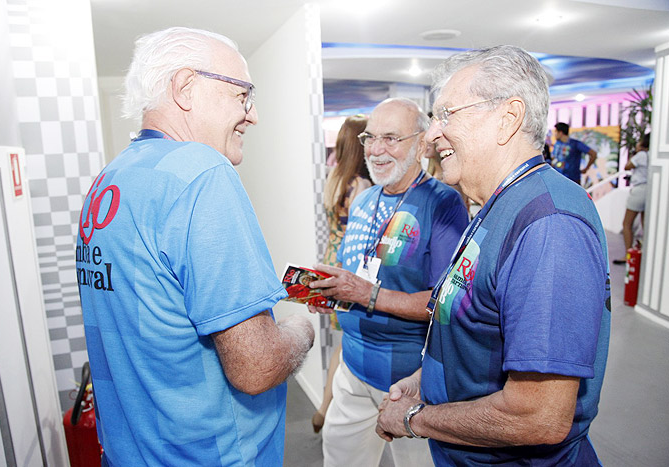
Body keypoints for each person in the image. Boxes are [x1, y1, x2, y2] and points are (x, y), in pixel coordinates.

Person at [76, 27, 314, 466]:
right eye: (243, 94)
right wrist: (301, 330)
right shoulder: (201, 172)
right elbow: (256, 367)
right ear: (186, 87)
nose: (253, 114)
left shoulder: (109, 180)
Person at [376, 45, 611, 466]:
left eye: (448, 114)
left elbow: (539, 416)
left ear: (508, 118)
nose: (431, 134)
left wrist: (415, 418)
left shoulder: (548, 225)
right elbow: (475, 326)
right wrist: (425, 382)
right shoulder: (497, 204)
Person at [309, 97, 469, 467]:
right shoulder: (365, 199)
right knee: (338, 458)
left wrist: (366, 294)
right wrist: (332, 293)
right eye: (371, 137)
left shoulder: (444, 204)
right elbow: (363, 271)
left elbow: (445, 303)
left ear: (421, 144)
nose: (377, 150)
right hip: (352, 365)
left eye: (392, 138)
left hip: (407, 381)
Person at [312, 115, 372, 433]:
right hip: (348, 266)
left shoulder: (334, 178)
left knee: (342, 340)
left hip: (329, 258)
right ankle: (335, 408)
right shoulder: (363, 187)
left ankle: (327, 407)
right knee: (349, 341)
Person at [614, 132, 650, 264]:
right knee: (645, 223)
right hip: (650, 190)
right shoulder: (653, 155)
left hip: (639, 190)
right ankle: (643, 253)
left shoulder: (641, 155)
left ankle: (628, 255)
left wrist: (637, 151)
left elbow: (627, 166)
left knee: (627, 224)